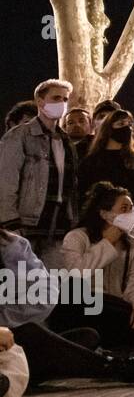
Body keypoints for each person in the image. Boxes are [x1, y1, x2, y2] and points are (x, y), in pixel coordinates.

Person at [0, 228, 134, 386]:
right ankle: (120, 367)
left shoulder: (11, 244)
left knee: (86, 332)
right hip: (35, 318)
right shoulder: (78, 237)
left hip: (50, 306)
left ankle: (85, 354)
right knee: (32, 333)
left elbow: (45, 290)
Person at [57, 182, 134, 348]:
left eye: (131, 208)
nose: (130, 214)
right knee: (79, 301)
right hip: (85, 308)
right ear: (104, 214)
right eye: (124, 208)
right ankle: (112, 343)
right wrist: (108, 242)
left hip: (115, 310)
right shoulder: (77, 237)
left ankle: (108, 344)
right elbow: (77, 273)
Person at [0, 79, 79, 265]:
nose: (62, 103)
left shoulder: (66, 141)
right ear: (40, 101)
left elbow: (70, 185)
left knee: (50, 286)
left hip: (59, 224)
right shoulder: (19, 136)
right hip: (27, 225)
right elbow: (6, 182)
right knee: (20, 284)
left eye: (65, 99)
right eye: (56, 98)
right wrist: (11, 223)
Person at [75, 108, 134, 222]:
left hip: (129, 216)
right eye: (121, 124)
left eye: (130, 124)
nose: (127, 128)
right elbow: (83, 188)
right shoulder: (92, 161)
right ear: (108, 128)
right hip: (96, 217)